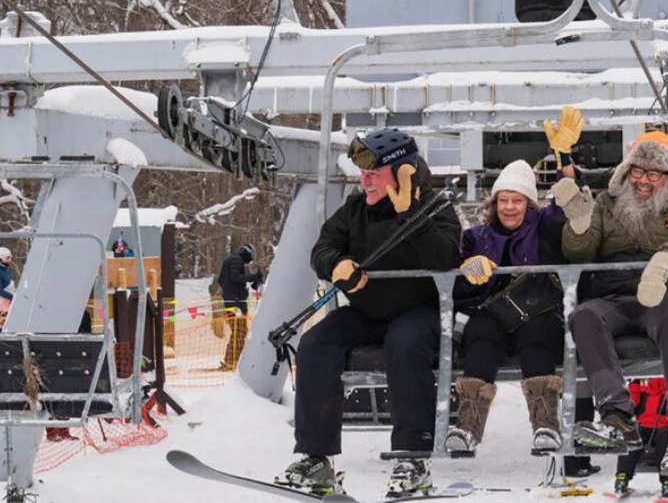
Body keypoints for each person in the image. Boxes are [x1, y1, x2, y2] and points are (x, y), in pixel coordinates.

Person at [276, 128, 461, 498]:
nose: (364, 180)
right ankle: (315, 457)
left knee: (405, 346)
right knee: (316, 343)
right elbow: (323, 248)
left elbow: (444, 259)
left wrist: (410, 216)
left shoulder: (436, 208)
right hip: (367, 310)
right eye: (362, 173)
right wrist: (337, 264)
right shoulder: (356, 209)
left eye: (373, 172)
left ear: (403, 172)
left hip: (418, 310)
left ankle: (412, 456)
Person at [559, 130, 668, 479]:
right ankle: (616, 415)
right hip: (613, 295)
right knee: (583, 317)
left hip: (661, 292)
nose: (643, 182)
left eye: (653, 174)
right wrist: (579, 226)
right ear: (625, 173)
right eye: (637, 172)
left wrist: (666, 257)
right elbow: (579, 252)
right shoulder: (606, 203)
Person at [445, 113, 578, 454]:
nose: (509, 207)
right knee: (479, 336)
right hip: (492, 312)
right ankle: (468, 427)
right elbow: (461, 289)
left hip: (536, 310)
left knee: (537, 340)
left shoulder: (543, 227)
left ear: (528, 203)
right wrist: (467, 269)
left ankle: (545, 425)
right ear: (494, 203)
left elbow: (567, 201)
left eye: (517, 200)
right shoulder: (476, 237)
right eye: (503, 200)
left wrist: (565, 162)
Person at [612, 377, 668, 498]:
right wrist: (634, 385)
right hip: (643, 425)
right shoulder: (641, 386)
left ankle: (667, 482)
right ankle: (622, 478)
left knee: (666, 443)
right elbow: (633, 403)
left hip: (664, 425)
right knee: (631, 438)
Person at [215, 244, 262, 371]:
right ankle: (233, 361)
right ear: (246, 253)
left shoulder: (229, 260)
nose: (249, 261)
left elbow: (221, 280)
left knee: (237, 331)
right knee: (240, 332)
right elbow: (235, 277)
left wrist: (229, 291)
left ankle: (230, 360)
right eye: (250, 257)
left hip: (230, 301)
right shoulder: (237, 260)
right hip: (236, 302)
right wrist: (252, 277)